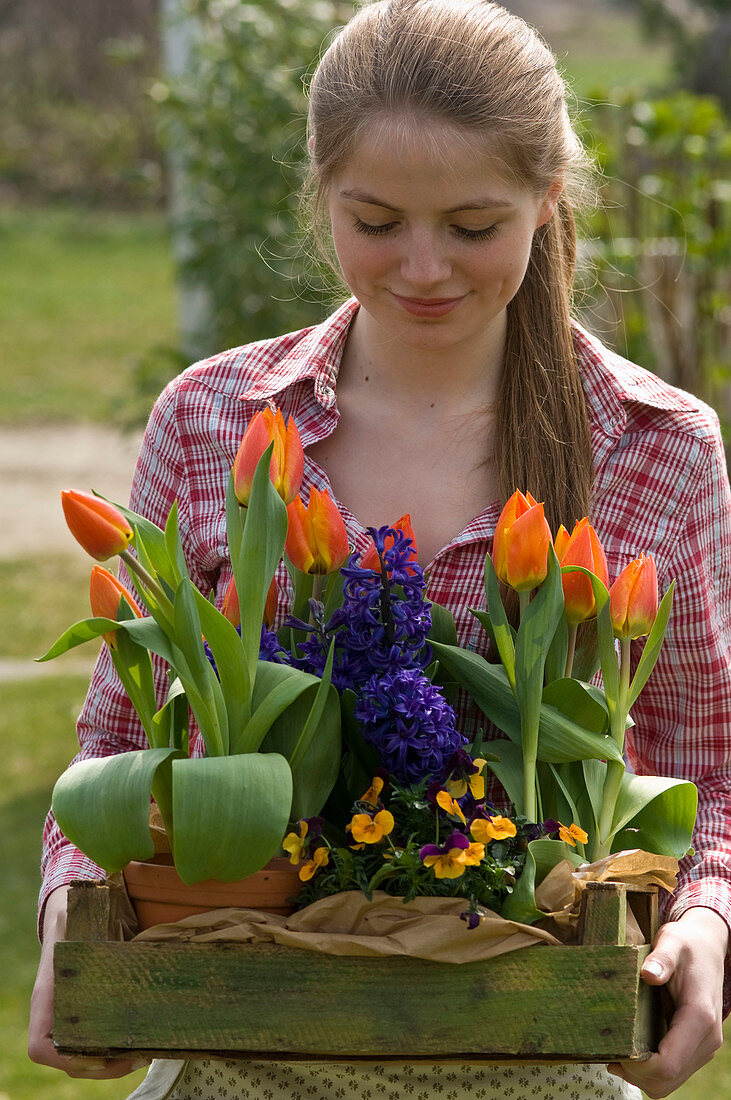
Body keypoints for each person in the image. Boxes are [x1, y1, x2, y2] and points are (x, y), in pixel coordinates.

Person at [29, 2, 729, 1098]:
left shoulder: (654, 445)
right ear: (320, 193)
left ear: (548, 200)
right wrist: (70, 915)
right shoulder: (216, 419)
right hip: (238, 1054)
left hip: (538, 1060)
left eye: (470, 224)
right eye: (375, 218)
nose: (422, 266)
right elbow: (118, 737)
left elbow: (709, 763)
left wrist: (701, 919)